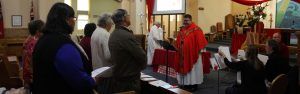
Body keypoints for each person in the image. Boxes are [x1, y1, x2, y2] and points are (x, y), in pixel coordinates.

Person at [32, 3, 96, 94]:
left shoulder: (43, 40)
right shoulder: (63, 44)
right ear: (66, 19)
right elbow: (78, 79)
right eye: (73, 18)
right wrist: (94, 80)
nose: (74, 22)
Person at [109, 9, 147, 93]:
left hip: (118, 76)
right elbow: (142, 56)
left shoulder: (113, 34)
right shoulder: (126, 36)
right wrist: (141, 67)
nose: (130, 17)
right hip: (129, 79)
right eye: (128, 15)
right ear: (124, 18)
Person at [174, 14, 208, 91]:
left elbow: (201, 42)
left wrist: (199, 51)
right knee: (184, 69)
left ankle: (193, 85)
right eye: (184, 20)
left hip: (193, 55)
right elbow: (178, 40)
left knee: (193, 71)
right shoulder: (182, 29)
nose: (185, 22)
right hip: (182, 55)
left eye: (187, 21)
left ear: (191, 20)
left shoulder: (197, 29)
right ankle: (185, 84)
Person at [22, 20, 44, 92]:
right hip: (33, 77)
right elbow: (32, 62)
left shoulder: (29, 40)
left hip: (28, 75)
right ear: (38, 32)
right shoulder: (35, 43)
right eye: (43, 31)